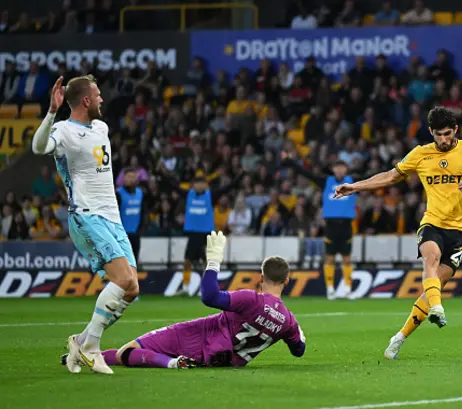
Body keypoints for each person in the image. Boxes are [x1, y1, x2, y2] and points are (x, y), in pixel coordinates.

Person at [334, 107, 462, 359]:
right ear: (430, 132)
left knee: (437, 282)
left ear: (456, 130)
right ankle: (437, 306)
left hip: (459, 230)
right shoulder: (420, 154)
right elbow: (391, 176)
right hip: (432, 222)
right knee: (430, 259)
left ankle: (400, 336)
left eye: (448, 134)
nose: (444, 139)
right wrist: (355, 187)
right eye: (439, 135)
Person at [61, 232, 306, 369]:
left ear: (261, 277)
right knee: (127, 353)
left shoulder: (251, 299)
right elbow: (298, 351)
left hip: (201, 335)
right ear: (287, 281)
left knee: (129, 351)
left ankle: (170, 363)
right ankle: (86, 356)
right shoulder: (288, 321)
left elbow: (210, 296)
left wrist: (213, 261)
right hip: (225, 360)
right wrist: (298, 335)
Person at [31, 76, 139, 375]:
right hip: (86, 214)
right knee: (123, 281)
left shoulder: (101, 127)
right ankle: (91, 346)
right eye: (98, 94)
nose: (103, 99)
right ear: (87, 101)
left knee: (132, 289)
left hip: (112, 218)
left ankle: (81, 341)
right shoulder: (63, 131)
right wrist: (52, 111)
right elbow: (39, 148)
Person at [282, 157, 358, 300]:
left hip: (347, 225)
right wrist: (291, 162)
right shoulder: (326, 182)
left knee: (346, 259)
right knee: (329, 258)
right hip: (330, 226)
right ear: (333, 169)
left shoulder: (352, 182)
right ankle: (330, 289)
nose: (339, 170)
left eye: (342, 167)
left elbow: (371, 178)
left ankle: (347, 289)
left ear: (346, 169)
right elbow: (307, 174)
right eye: (337, 167)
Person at [178, 174, 243, 296]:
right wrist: (161, 175)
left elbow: (227, 188)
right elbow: (173, 187)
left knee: (206, 262)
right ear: (193, 185)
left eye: (202, 183)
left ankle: (204, 289)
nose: (199, 185)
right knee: (187, 261)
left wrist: (240, 176)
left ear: (205, 185)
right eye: (197, 183)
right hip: (193, 233)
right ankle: (185, 288)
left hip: (206, 233)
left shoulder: (211, 195)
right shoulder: (188, 195)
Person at [116, 168, 147, 261]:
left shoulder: (140, 193)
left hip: (135, 234)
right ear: (124, 178)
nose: (131, 179)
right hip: (122, 235)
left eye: (133, 177)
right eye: (128, 177)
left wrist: (141, 228)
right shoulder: (118, 194)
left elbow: (143, 212)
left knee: (134, 262)